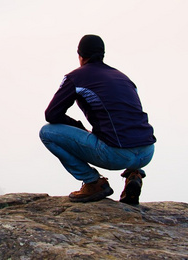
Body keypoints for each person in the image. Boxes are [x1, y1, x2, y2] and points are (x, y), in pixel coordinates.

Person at [39, 34, 156, 205]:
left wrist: (78, 127)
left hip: (116, 155)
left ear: (80, 55)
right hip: (147, 152)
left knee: (47, 132)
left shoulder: (76, 77)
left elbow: (51, 114)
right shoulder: (123, 78)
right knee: (124, 126)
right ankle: (134, 174)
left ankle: (92, 182)